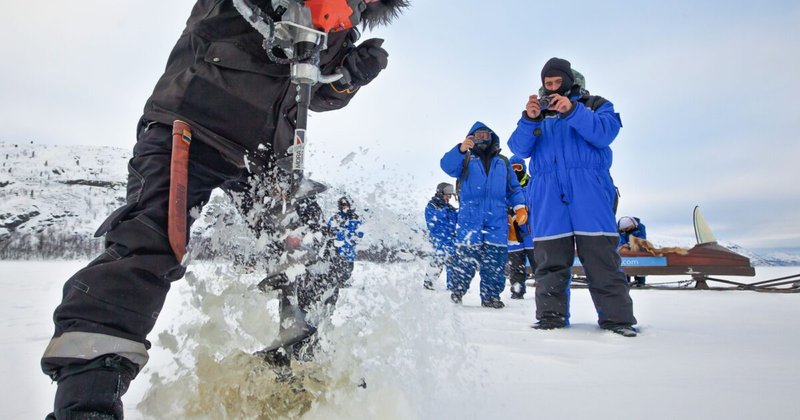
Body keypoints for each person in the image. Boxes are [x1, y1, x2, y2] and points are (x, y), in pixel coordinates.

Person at [40, 1, 409, 418]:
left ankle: (296, 370)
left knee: (312, 254)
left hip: (267, 156)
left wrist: (348, 78)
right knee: (152, 241)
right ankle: (88, 397)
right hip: (194, 119)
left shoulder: (342, 18)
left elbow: (315, 89)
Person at [507, 57, 637, 336]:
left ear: (568, 81)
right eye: (547, 83)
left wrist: (572, 110)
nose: (552, 88)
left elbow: (605, 134)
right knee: (549, 261)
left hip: (589, 189)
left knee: (602, 260)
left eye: (557, 82)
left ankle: (617, 320)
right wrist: (528, 120)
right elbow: (518, 148)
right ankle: (550, 317)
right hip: (548, 194)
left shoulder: (596, 105)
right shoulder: (538, 114)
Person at [441, 122, 527, 309]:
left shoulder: (502, 162)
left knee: (495, 261)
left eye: (485, 135)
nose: (481, 138)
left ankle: (490, 296)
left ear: (492, 137)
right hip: (470, 218)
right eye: (477, 135)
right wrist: (461, 149)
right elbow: (446, 166)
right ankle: (457, 291)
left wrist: (520, 206)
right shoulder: (465, 160)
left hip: (496, 218)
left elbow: (513, 188)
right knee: (465, 259)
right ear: (470, 137)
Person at [506, 155, 535, 299]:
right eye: (513, 169)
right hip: (514, 233)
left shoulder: (532, 185)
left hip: (531, 233)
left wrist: (527, 209)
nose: (516, 171)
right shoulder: (506, 187)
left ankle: (544, 290)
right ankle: (517, 291)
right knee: (516, 266)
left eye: (519, 168)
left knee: (539, 265)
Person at [423, 182, 458, 290]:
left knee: (452, 263)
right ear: (440, 193)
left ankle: (452, 287)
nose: (449, 198)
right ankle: (428, 283)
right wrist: (446, 211)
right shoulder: (432, 206)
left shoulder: (449, 208)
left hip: (451, 240)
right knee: (438, 260)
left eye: (450, 196)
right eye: (447, 195)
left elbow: (457, 217)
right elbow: (434, 218)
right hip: (439, 239)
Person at [327, 196, 365, 285]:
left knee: (348, 270)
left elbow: (361, 232)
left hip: (349, 250)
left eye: (346, 206)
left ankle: (342, 281)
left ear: (351, 206)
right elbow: (329, 230)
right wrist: (335, 234)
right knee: (336, 267)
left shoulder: (356, 219)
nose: (344, 208)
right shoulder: (336, 218)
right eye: (342, 206)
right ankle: (336, 282)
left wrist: (356, 236)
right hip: (337, 250)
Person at [618, 216, 648, 287]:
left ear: (632, 225)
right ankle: (625, 280)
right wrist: (623, 245)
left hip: (637, 248)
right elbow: (619, 239)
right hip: (625, 250)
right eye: (623, 229)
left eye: (626, 229)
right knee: (624, 261)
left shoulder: (641, 227)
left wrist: (630, 244)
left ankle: (640, 281)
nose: (625, 230)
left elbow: (641, 239)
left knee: (640, 261)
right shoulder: (618, 228)